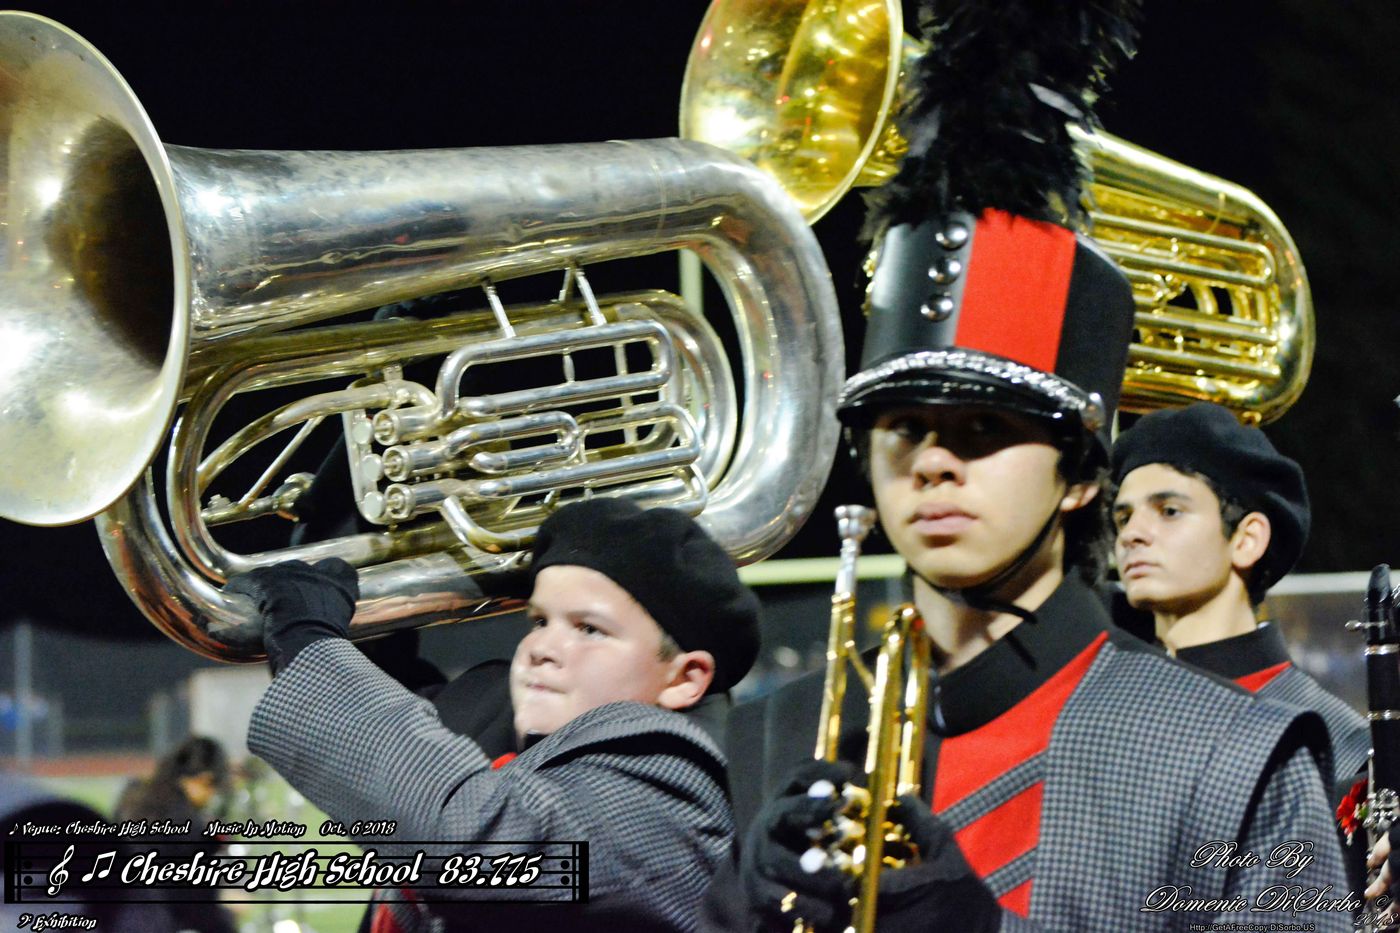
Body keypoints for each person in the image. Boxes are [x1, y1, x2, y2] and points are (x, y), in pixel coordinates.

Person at [703, 2, 1350, 930]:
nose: (933, 461)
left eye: (984, 428)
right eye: (902, 425)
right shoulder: (769, 734)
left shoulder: (1238, 753)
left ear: (1081, 475)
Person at [234, 497, 761, 933]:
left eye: (590, 629)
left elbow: (480, 844)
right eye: (540, 621)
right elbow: (396, 717)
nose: (541, 648)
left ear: (685, 678)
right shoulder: (514, 729)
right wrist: (356, 508)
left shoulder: (672, 793)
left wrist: (307, 639)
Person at [1110, 403, 1369, 779]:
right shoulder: (1105, 712)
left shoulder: (1338, 748)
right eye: (1123, 517)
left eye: (1169, 511)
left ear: (1248, 540)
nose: (1131, 534)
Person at [116, 736, 237, 933]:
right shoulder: (192, 827)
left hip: (119, 918)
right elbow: (198, 907)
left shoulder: (130, 799)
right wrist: (228, 918)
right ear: (205, 779)